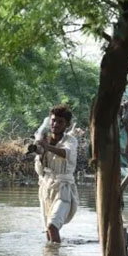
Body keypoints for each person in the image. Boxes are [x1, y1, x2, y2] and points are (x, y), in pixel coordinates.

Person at [34, 104, 79, 243]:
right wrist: (39, 151)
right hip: (46, 188)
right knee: (48, 229)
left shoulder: (71, 140)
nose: (55, 124)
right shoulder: (44, 139)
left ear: (67, 125)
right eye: (53, 120)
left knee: (53, 226)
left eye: (60, 122)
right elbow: (40, 168)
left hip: (63, 189)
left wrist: (47, 147)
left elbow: (66, 153)